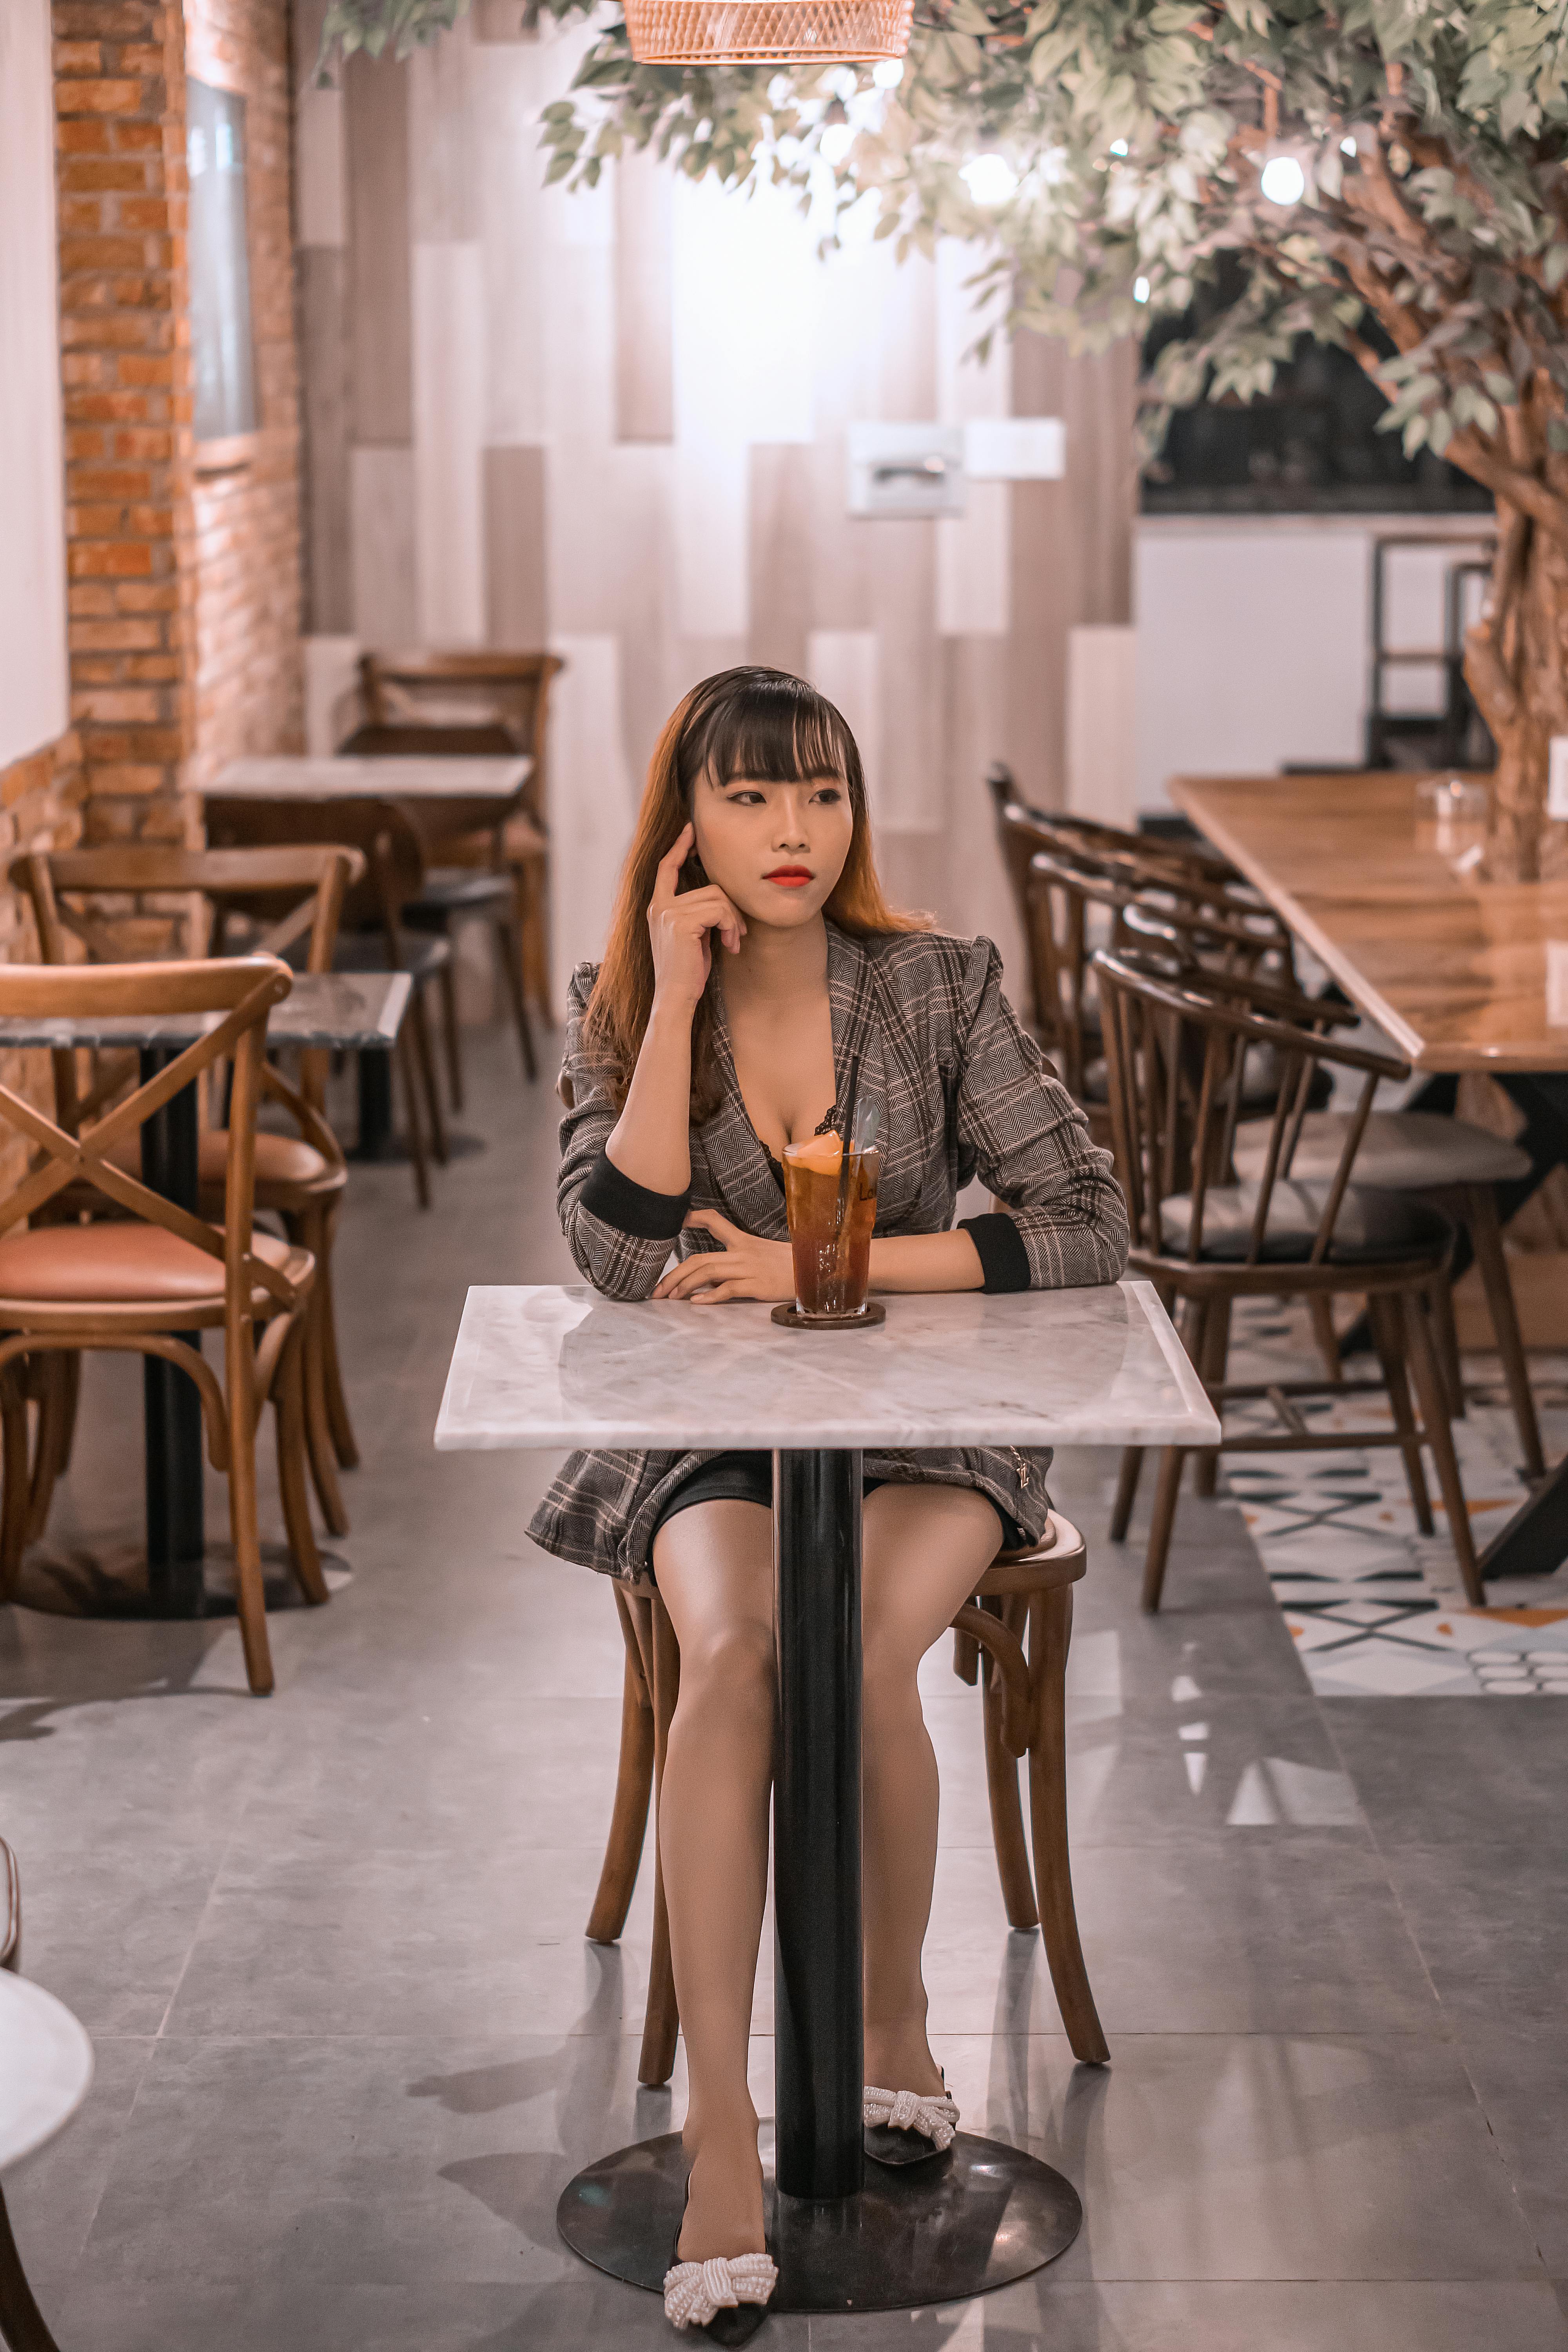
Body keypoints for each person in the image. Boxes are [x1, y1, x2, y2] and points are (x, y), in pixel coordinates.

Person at [528, 667, 1127, 2339]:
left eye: (820, 791)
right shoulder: (617, 1005)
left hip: (932, 1431)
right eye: (748, 796)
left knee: (855, 1654)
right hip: (719, 1443)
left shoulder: (936, 985)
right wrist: (668, 999)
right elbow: (618, 1258)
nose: (792, 829)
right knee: (734, 1659)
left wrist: (834, 1265)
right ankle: (726, 2131)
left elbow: (1085, 1219)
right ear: (685, 828)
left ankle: (888, 2022)